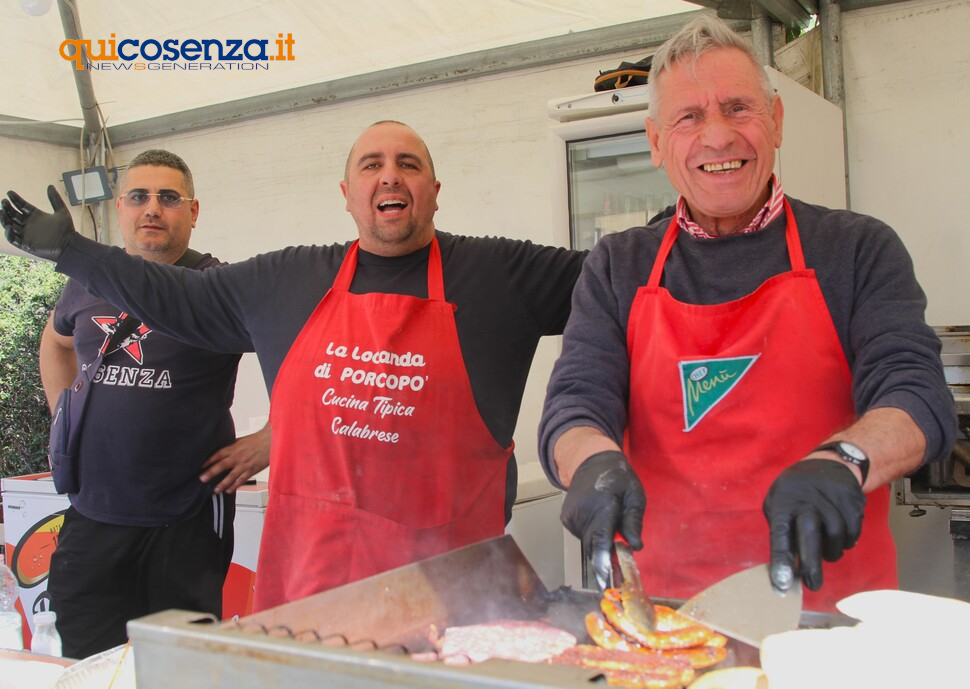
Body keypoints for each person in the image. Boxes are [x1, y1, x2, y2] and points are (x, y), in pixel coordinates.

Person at [2, 121, 586, 613]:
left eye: (408, 164)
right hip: (311, 600)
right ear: (347, 192)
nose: (389, 175)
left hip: (452, 599)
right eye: (371, 165)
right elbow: (173, 296)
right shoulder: (287, 280)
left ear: (433, 190)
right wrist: (75, 253)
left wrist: (681, 195)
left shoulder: (504, 276)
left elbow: (622, 278)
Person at [538, 16, 956, 612]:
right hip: (668, 618)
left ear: (776, 122)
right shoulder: (617, 266)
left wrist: (847, 459)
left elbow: (916, 393)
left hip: (829, 620)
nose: (718, 136)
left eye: (738, 108)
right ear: (656, 142)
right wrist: (592, 462)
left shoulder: (856, 248)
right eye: (689, 117)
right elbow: (576, 403)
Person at [35, 149, 270, 658]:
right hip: (92, 513)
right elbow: (54, 343)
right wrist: (64, 416)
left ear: (194, 211)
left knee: (179, 666)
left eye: (169, 198)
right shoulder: (86, 282)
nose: (152, 209)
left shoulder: (219, 286)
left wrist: (272, 439)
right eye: (139, 197)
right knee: (81, 659)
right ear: (120, 207)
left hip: (184, 520)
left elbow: (306, 352)